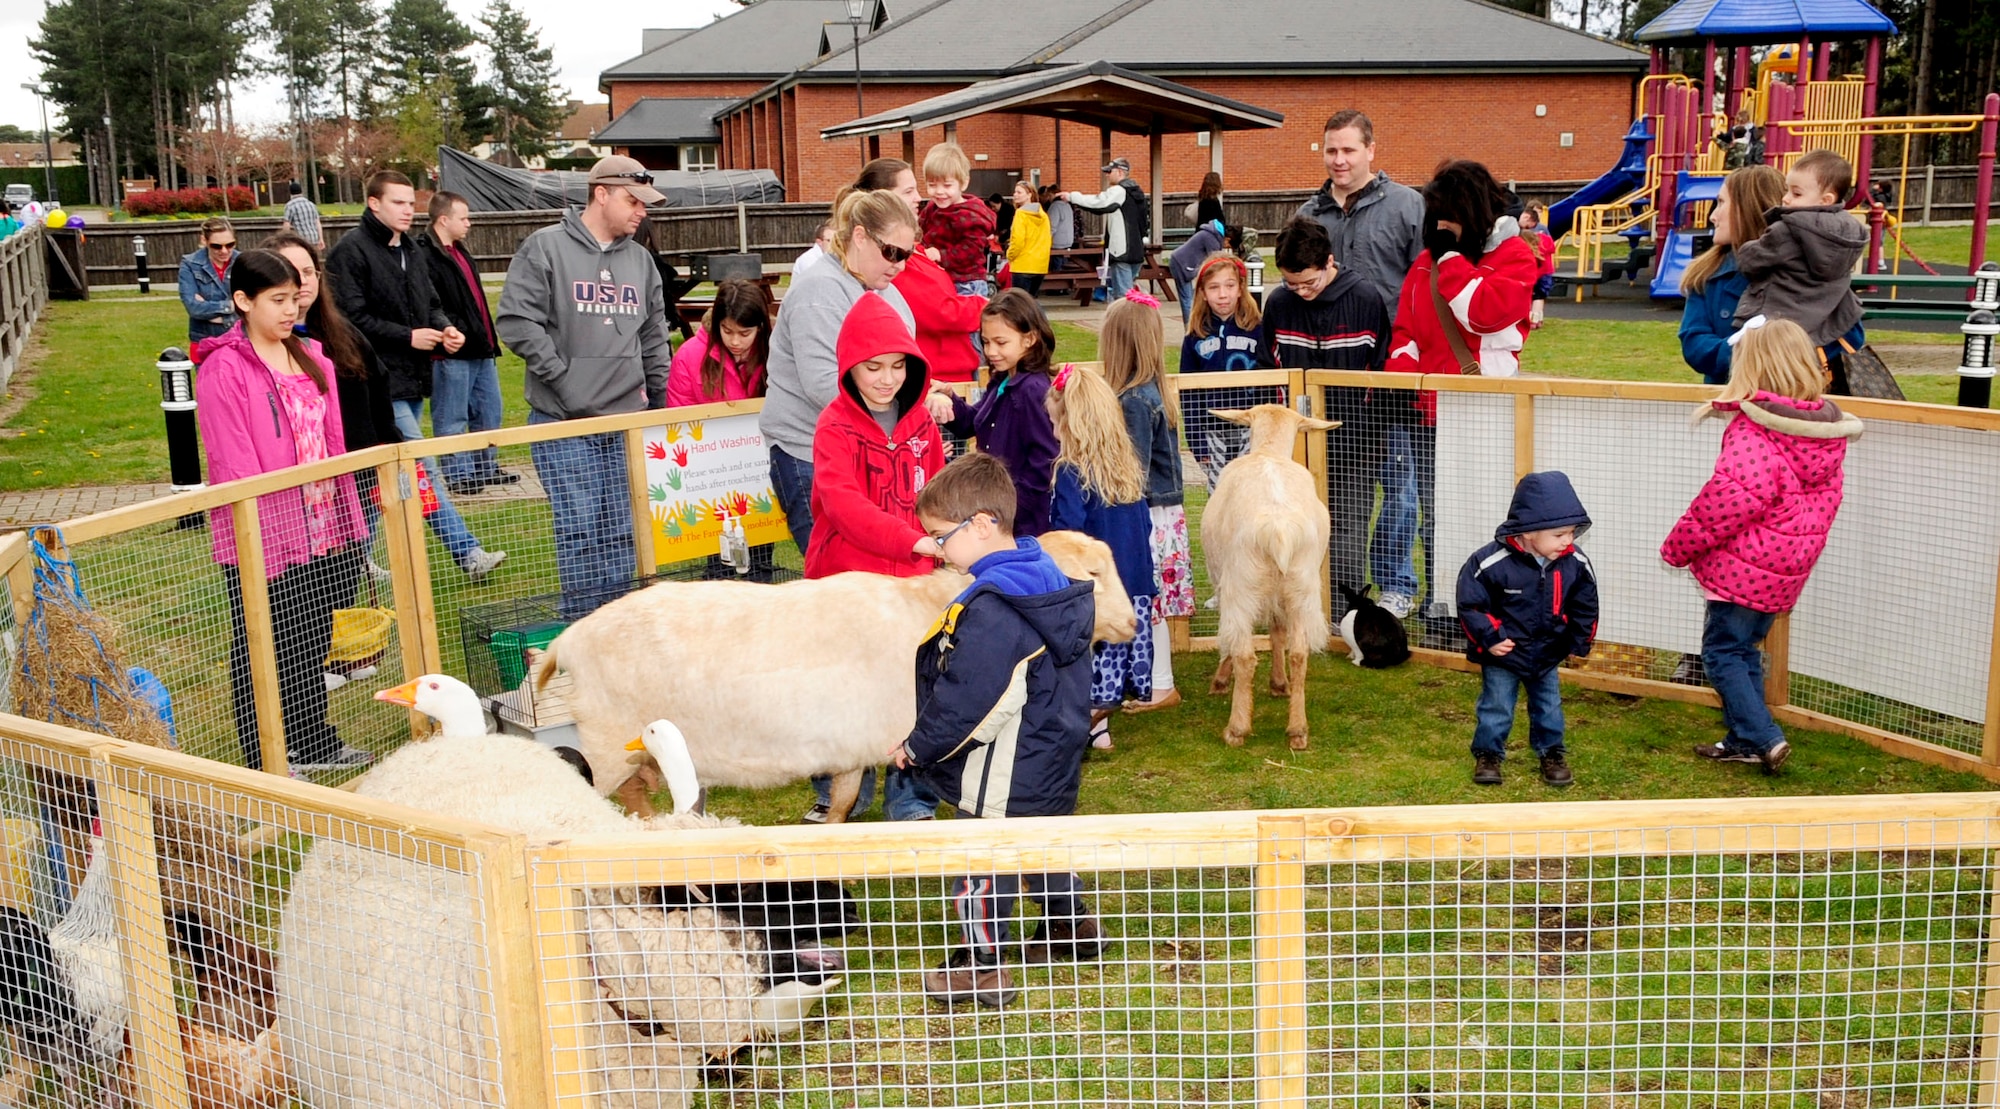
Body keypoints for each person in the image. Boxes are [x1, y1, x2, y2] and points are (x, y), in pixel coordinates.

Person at [895, 452, 1102, 1009]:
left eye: (941, 536)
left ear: (982, 524)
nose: (938, 549)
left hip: (1004, 767)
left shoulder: (995, 608)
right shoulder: (1045, 574)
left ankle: (981, 966)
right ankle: (1072, 929)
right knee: (1042, 845)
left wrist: (918, 746)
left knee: (983, 863)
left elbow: (973, 700)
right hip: (1052, 752)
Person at [193, 249, 372, 774]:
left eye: (294, 298)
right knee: (260, 641)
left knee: (311, 633)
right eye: (277, 300)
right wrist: (267, 530)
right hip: (264, 529)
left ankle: (313, 739)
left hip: (323, 522)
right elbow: (234, 463)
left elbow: (333, 440)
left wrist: (346, 510)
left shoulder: (313, 355)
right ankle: (266, 756)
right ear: (243, 301)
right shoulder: (224, 368)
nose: (290, 310)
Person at [1662, 316, 1861, 774]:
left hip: (1743, 568)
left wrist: (1679, 546)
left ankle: (1764, 736)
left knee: (1721, 654)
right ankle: (1742, 739)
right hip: (1783, 569)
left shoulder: (1755, 432)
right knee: (1743, 650)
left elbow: (1726, 501)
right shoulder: (1822, 432)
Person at [496, 156, 674, 616]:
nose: (642, 212)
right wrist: (563, 380)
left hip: (627, 423)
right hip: (563, 423)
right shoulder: (545, 248)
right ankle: (583, 625)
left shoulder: (641, 260)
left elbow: (654, 335)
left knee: (623, 528)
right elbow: (517, 322)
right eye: (633, 201)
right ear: (601, 194)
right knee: (579, 529)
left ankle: (621, 625)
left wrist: (659, 403)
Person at [799, 292, 950, 824]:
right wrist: (912, 541)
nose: (887, 379)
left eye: (898, 365)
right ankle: (836, 792)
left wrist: (944, 538)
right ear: (849, 368)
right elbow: (842, 506)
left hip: (911, 585)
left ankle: (910, 799)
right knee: (838, 692)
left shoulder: (921, 426)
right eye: (873, 367)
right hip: (846, 584)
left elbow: (935, 494)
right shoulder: (833, 426)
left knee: (916, 691)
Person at [329, 172, 504, 581]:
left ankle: (351, 561)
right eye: (399, 203)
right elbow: (349, 319)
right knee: (420, 466)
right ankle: (468, 553)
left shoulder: (410, 248)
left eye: (411, 203)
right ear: (374, 204)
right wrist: (409, 336)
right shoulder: (350, 253)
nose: (409, 210)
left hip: (413, 380)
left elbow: (430, 301)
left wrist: (444, 328)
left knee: (381, 478)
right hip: (374, 383)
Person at [1385, 161, 1538, 626]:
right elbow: (1406, 327)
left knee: (1483, 512)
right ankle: (1445, 605)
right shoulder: (1427, 260)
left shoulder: (1513, 256)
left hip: (1483, 410)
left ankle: (1486, 607)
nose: (1439, 226)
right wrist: (1410, 376)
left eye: (1448, 216)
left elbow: (1484, 314)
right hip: (1431, 411)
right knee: (1437, 517)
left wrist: (1449, 260)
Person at [759, 187, 917, 556]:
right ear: (860, 237)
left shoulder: (885, 291)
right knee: (836, 574)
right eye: (891, 252)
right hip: (808, 453)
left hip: (867, 450)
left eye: (906, 255)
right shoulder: (818, 290)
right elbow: (822, 384)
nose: (899, 264)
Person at [1262, 217, 1394, 622]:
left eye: (1310, 283)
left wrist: (1371, 429)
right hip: (1295, 446)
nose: (1300, 292)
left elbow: (1383, 371)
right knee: (1291, 527)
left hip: (1356, 439)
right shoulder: (1279, 305)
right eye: (1292, 284)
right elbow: (1270, 369)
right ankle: (1292, 609)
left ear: (1328, 263)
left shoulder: (1366, 298)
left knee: (1349, 525)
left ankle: (1343, 614)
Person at [262, 230, 398, 592]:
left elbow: (380, 395)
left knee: (338, 589)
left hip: (351, 481)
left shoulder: (343, 334)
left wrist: (386, 457)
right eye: (290, 272)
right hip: (291, 493)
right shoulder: (262, 347)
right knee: (293, 596)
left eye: (308, 272)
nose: (301, 283)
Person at [1457, 471, 1596, 788]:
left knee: (1549, 707)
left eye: (1573, 532)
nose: (1568, 541)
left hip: (1547, 653)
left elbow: (1585, 606)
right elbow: (1471, 605)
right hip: (1503, 654)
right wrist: (1491, 638)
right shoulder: (1488, 563)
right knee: (1496, 706)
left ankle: (1552, 753)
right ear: (1529, 531)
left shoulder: (1575, 563)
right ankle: (1489, 755)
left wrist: (1579, 642)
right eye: (1560, 534)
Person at [1046, 361, 1153, 750]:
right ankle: (1100, 726)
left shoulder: (1071, 473)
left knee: (1087, 663)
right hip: (1134, 582)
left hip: (1096, 591)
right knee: (1116, 663)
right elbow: (1145, 528)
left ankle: (1083, 725)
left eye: (1056, 424)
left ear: (1070, 425)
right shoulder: (1128, 468)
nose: (1053, 432)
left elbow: (1070, 532)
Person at [1099, 293, 1187, 718]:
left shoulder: (1134, 400)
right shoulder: (1153, 392)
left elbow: (1131, 466)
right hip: (1158, 512)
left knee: (1146, 600)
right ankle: (1152, 679)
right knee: (1149, 601)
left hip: (1146, 514)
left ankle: (1161, 685)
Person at [926, 288, 1061, 536]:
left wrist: (1009, 512)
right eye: (986, 342)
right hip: (994, 511)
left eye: (1001, 343)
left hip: (1021, 525)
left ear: (1029, 339)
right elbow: (973, 423)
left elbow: (1045, 463)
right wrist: (949, 397)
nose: (990, 352)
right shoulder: (1002, 380)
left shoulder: (1032, 391)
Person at [1731, 149, 1868, 392]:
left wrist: (1749, 245)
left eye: (1796, 193)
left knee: (1765, 379)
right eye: (1787, 190)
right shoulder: (1851, 233)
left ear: (1825, 200)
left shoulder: (1787, 230)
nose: (1785, 198)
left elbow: (1750, 261)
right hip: (1830, 320)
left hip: (1782, 317)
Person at [850, 158, 987, 388]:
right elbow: (939, 312)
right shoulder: (893, 258)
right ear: (884, 198)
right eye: (909, 191)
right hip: (940, 378)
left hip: (953, 372)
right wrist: (985, 305)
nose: (918, 198)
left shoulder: (914, 250)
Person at [418, 190, 513, 496]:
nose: (469, 223)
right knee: (452, 415)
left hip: (481, 348)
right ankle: (458, 475)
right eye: (464, 217)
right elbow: (429, 304)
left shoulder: (460, 252)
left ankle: (485, 466)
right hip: (451, 352)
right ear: (444, 220)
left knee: (489, 411)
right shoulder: (426, 255)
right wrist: (452, 331)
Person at [1296, 110, 1425, 322]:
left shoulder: (1408, 207)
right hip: (1326, 343)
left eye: (1348, 151)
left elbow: (1426, 284)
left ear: (1370, 150)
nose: (1339, 160)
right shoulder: (1307, 217)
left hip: (1391, 344)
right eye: (1331, 151)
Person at [1680, 165, 1787, 384]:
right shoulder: (1707, 272)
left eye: (1721, 203)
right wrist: (1743, 352)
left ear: (1748, 209)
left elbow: (1844, 332)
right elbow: (1694, 343)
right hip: (1728, 401)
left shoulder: (1803, 269)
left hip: (1794, 405)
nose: (1712, 216)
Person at [667, 279, 770, 406]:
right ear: (716, 324)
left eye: (744, 334)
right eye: (727, 331)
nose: (735, 342)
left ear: (760, 328)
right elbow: (680, 415)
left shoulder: (775, 352)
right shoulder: (688, 356)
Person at [918, 143, 996, 297]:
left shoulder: (969, 215)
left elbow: (972, 251)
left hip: (966, 282)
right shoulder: (931, 209)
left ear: (964, 183)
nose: (939, 191)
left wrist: (941, 255)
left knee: (966, 319)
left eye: (947, 185)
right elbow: (919, 231)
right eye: (932, 185)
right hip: (940, 276)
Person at [1067, 158, 1149, 301]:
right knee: (1131, 293)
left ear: (1119, 172)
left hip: (1121, 251)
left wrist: (1072, 197)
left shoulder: (1119, 191)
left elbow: (1099, 203)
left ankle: (1126, 323)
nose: (1107, 175)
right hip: (1137, 250)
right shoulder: (1137, 192)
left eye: (1109, 171)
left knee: (1123, 298)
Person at [178, 217, 238, 343]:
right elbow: (194, 308)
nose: (224, 251)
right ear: (204, 240)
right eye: (216, 246)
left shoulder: (244, 261)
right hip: (204, 339)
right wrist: (232, 306)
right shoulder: (190, 264)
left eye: (230, 245)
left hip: (240, 337)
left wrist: (213, 314)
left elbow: (253, 304)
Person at [1168, 218, 1237, 323]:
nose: (1226, 247)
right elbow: (1215, 262)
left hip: (1180, 261)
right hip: (1181, 263)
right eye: (1228, 246)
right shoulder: (1212, 239)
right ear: (1227, 239)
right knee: (1187, 300)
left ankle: (1193, 323)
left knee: (1190, 297)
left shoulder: (1211, 234)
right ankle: (1190, 328)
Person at [1004, 179, 1050, 298]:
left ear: (1029, 194)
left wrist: (1009, 255)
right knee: (1031, 303)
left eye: (1019, 192)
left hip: (1022, 265)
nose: (1015, 195)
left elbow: (1017, 241)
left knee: (1019, 305)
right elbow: (1047, 240)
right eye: (1015, 192)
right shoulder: (1043, 215)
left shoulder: (1020, 214)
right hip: (1040, 266)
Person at [1519, 204, 1556, 329]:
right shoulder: (1545, 238)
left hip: (1533, 274)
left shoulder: (1525, 244)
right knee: (1539, 298)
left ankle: (1530, 320)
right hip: (1545, 274)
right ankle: (1537, 320)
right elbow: (1551, 248)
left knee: (1531, 297)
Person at [282, 182, 323, 249]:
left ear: (291, 193)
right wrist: (321, 238)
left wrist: (285, 239)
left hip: (301, 240)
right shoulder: (311, 204)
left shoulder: (290, 205)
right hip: (314, 238)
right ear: (301, 191)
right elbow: (317, 223)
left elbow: (287, 224)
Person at [1043, 185, 1076, 268]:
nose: (1048, 198)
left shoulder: (1055, 206)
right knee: (1064, 265)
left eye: (1049, 195)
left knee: (1056, 266)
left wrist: (1044, 240)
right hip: (1068, 241)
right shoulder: (1067, 205)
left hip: (1057, 242)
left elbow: (1051, 226)